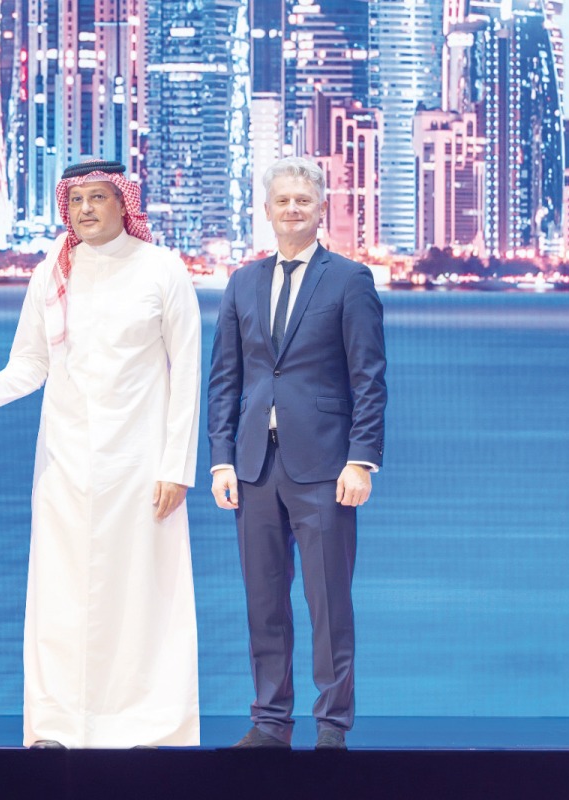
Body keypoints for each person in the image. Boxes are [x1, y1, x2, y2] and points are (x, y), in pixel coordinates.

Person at [0, 160, 202, 749]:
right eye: (77, 199)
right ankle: (59, 726)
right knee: (62, 598)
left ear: (123, 203)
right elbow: (32, 363)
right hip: (64, 465)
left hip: (141, 468)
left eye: (99, 197)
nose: (86, 209)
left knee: (144, 597)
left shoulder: (163, 270)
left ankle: (147, 726)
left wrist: (176, 468)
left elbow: (186, 374)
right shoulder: (51, 273)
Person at [207, 156, 388, 751]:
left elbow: (369, 378)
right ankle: (269, 722)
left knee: (328, 603)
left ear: (320, 208)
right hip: (256, 465)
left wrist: (362, 460)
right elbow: (225, 380)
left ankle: (332, 726)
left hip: (327, 468)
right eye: (282, 201)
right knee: (264, 601)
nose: (292, 210)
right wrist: (221, 459)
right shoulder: (243, 282)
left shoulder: (349, 280)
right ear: (267, 211)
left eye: (303, 202)